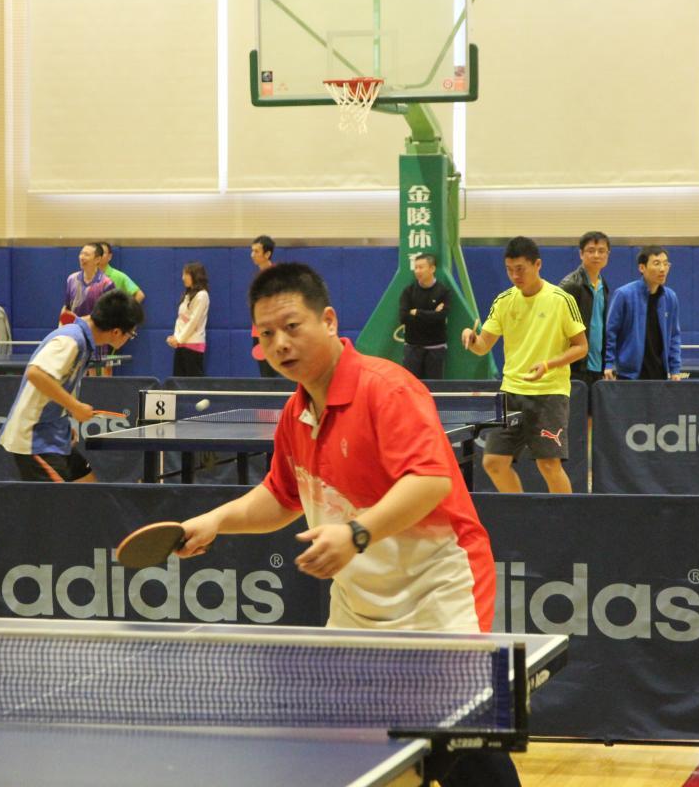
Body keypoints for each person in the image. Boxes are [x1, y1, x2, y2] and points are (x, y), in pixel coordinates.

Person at [174, 263, 513, 785]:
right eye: (266, 334)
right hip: (358, 607)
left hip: (438, 594)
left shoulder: (386, 389)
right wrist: (216, 520)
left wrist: (355, 534)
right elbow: (281, 497)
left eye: (292, 326)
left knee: (458, 746)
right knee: (352, 755)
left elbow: (430, 482)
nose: (280, 344)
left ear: (328, 320)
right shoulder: (296, 414)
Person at [461, 236, 587, 494]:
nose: (515, 276)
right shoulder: (504, 301)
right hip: (511, 394)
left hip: (549, 394)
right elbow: (483, 346)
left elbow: (581, 347)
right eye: (509, 269)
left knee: (549, 465)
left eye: (520, 269)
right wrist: (471, 340)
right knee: (494, 462)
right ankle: (519, 510)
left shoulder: (561, 299)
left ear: (537, 264)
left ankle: (566, 516)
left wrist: (548, 365)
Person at [0, 290, 144, 482]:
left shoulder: (83, 340)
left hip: (55, 433)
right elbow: (35, 373)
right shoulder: (71, 340)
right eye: (131, 334)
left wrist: (63, 419)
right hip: (34, 439)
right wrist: (74, 407)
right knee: (61, 500)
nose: (129, 338)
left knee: (88, 485)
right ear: (116, 331)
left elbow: (58, 383)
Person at [604, 245, 682, 381]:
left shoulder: (670, 297)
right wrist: (608, 364)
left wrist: (675, 369)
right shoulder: (624, 294)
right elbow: (611, 332)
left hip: (660, 374)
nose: (662, 269)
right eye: (656, 263)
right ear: (642, 268)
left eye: (666, 264)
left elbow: (674, 337)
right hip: (628, 375)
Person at [557, 231, 611, 386]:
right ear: (581, 254)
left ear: (607, 255)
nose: (596, 255)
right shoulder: (570, 285)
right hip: (575, 367)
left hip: (597, 366)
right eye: (591, 250)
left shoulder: (603, 285)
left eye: (601, 251)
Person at [398, 253, 450, 379]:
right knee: (411, 385)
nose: (417, 271)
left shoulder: (443, 291)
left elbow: (441, 316)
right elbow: (403, 317)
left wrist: (417, 312)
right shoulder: (408, 291)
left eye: (421, 267)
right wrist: (432, 314)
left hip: (436, 348)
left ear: (432, 269)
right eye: (415, 267)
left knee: (434, 387)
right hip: (412, 347)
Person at [167, 262, 209, 377]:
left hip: (193, 345)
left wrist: (179, 339)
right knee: (178, 381)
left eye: (186, 274)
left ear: (195, 275)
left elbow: (193, 321)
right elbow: (180, 319)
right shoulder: (187, 295)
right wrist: (175, 337)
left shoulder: (202, 295)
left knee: (193, 383)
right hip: (181, 345)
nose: (183, 278)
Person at [61, 243, 114, 321]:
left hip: (96, 328)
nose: (82, 257)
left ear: (97, 259)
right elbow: (67, 307)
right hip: (74, 327)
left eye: (86, 255)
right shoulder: (71, 279)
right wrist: (62, 324)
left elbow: (107, 313)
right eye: (81, 253)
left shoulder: (107, 284)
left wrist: (79, 321)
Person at [249, 234, 276, 376]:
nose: (252, 255)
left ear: (267, 254)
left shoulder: (275, 277)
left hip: (271, 331)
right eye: (252, 251)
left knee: (271, 375)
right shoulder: (258, 276)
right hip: (258, 331)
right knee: (265, 375)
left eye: (256, 251)